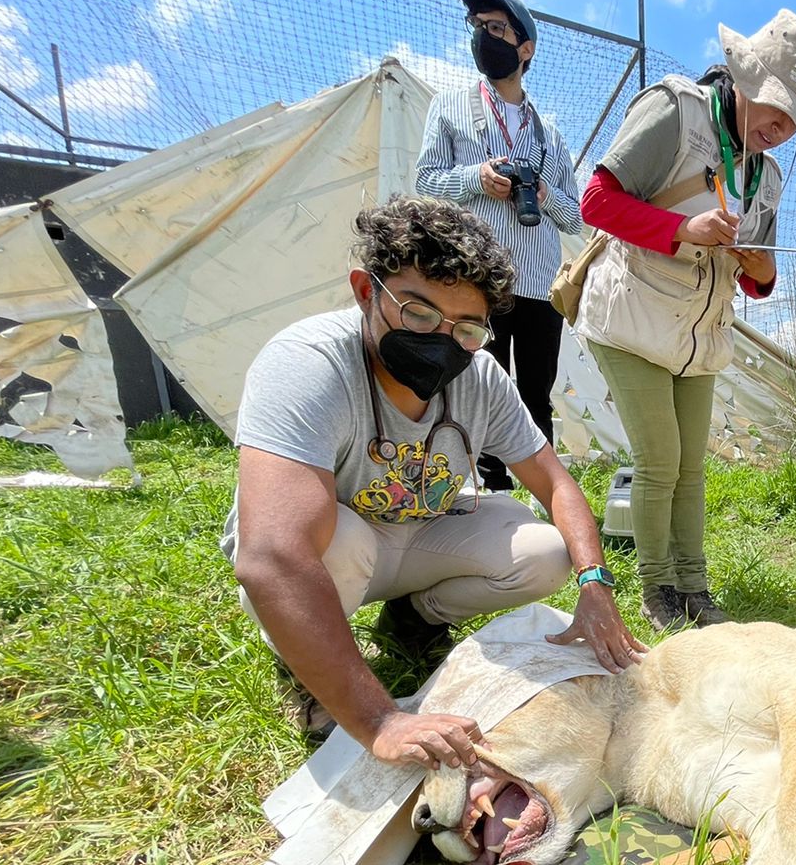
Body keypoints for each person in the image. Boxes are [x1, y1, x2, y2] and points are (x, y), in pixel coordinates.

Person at [224, 196, 644, 771]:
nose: (441, 340)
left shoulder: (481, 378)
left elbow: (557, 486)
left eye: (467, 329)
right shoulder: (308, 362)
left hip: (414, 535)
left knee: (544, 551)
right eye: (419, 315)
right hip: (334, 558)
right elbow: (273, 556)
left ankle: (415, 619)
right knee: (337, 538)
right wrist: (381, 721)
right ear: (366, 291)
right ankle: (310, 672)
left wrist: (595, 585)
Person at [573, 9, 796, 630]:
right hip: (632, 315)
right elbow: (596, 201)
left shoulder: (765, 177)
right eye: (777, 106)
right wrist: (682, 229)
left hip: (698, 335)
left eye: (795, 117)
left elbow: (758, 282)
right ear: (744, 76)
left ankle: (695, 588)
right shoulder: (676, 110)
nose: (783, 126)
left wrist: (760, 266)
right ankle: (655, 590)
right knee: (660, 458)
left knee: (692, 465)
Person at [416, 0, 582, 485]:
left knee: (537, 392)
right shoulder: (449, 107)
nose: (481, 37)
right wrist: (476, 179)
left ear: (524, 47)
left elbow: (575, 217)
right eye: (477, 27)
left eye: (494, 28)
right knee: (471, 386)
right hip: (474, 284)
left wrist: (542, 193)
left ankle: (543, 491)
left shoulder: (548, 134)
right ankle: (482, 490)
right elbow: (424, 182)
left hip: (536, 285)